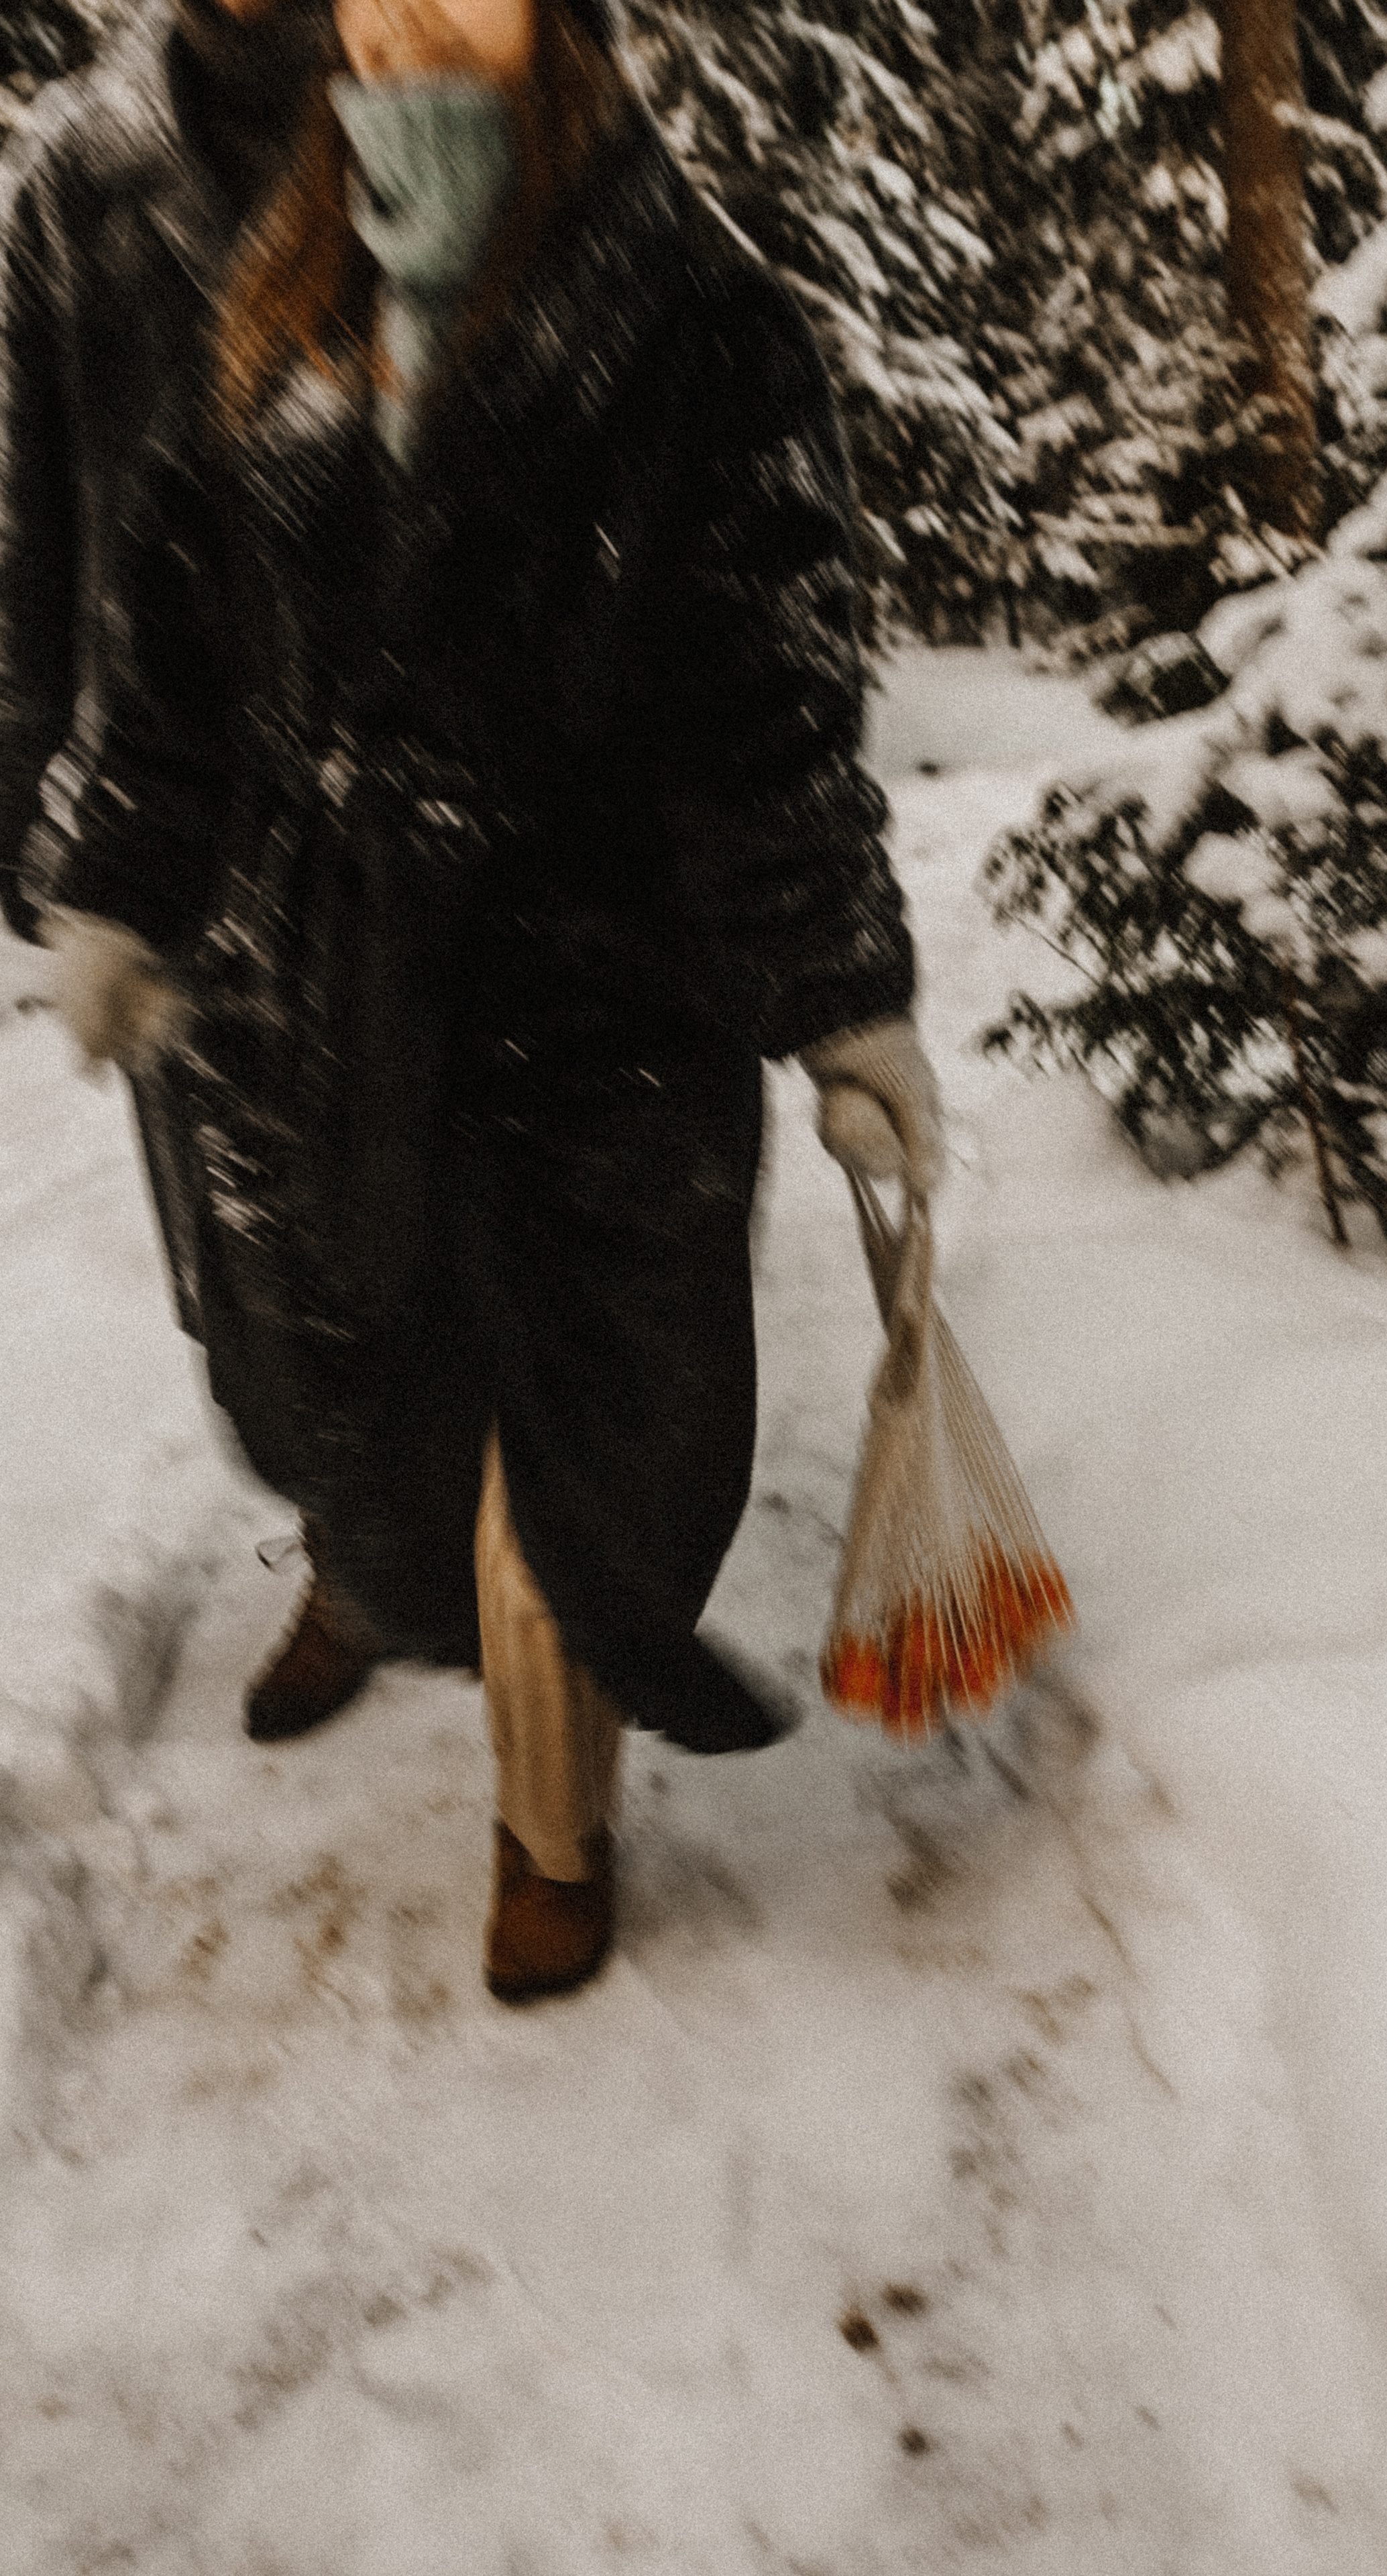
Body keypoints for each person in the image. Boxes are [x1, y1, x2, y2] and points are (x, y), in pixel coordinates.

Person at [17, 0, 944, 2002]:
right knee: (377, 1414)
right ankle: (380, 1593)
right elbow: (180, 644)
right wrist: (124, 891)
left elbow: (767, 718)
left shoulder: (701, 321)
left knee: (577, 1481)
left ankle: (555, 1821)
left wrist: (841, 1004)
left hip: (599, 1018)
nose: (420, 17)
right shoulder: (277, 273)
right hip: (337, 1009)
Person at [0, 0, 386, 1737]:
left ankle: (506, 1549)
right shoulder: (75, 178)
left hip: (406, 798)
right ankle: (351, 1543)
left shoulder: (439, 101)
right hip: (178, 819)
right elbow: (27, 518)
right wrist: (35, 807)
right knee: (241, 1260)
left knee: (440, 1179)